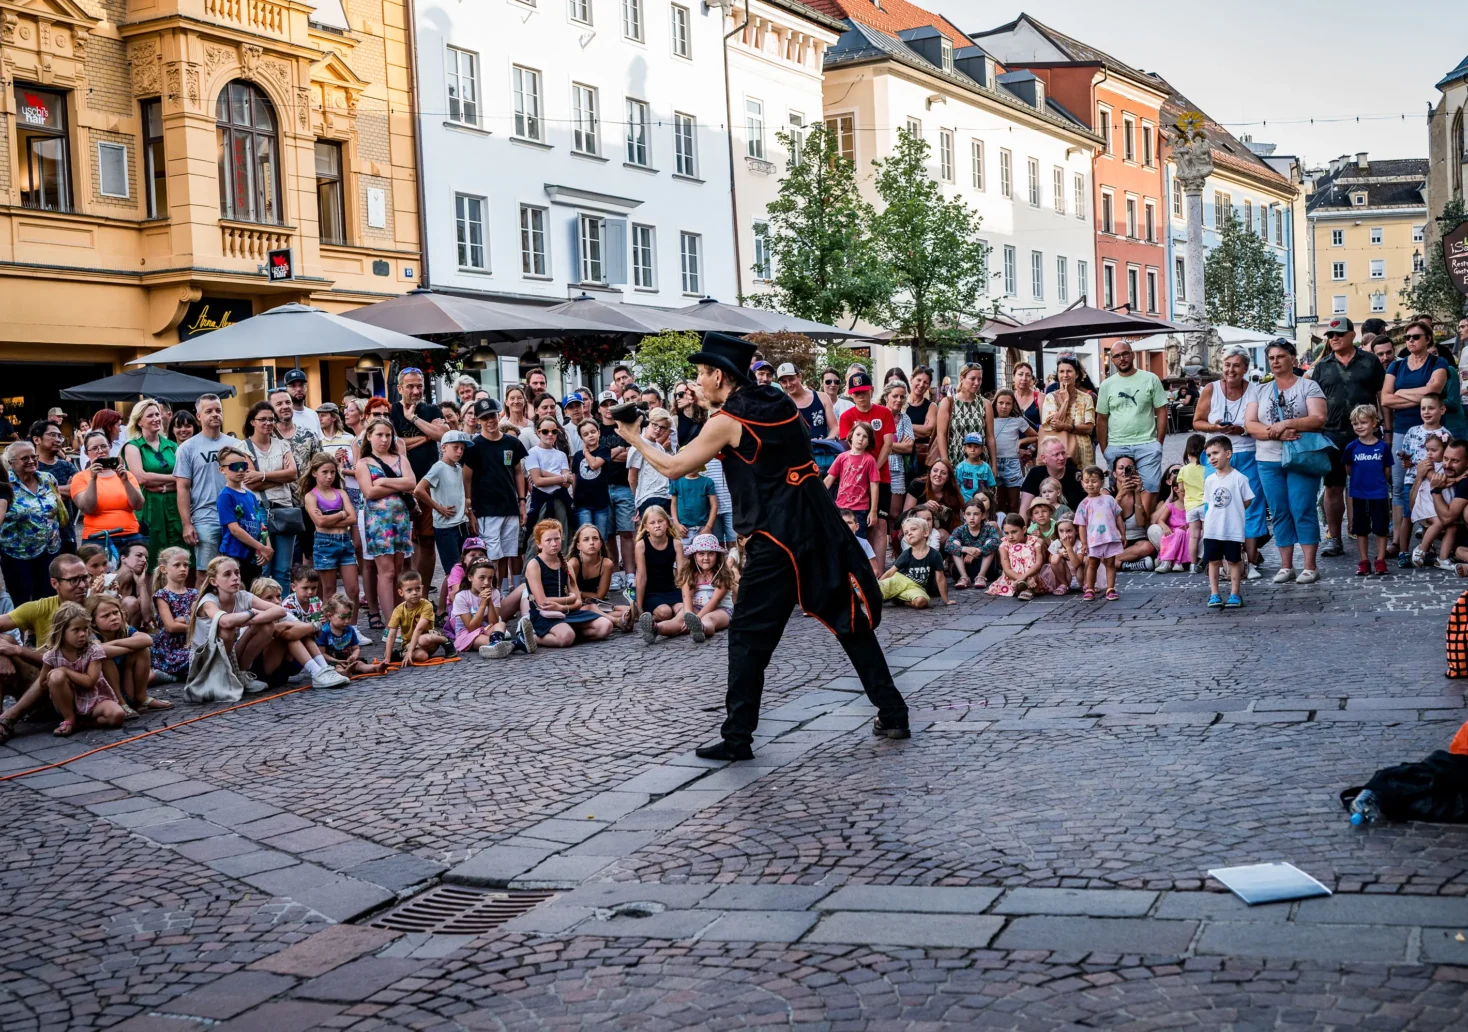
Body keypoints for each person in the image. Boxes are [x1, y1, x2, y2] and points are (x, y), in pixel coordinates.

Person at [615, 332, 909, 759]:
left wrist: (634, 437)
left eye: (700, 373)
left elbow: (675, 466)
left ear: (719, 374)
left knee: (748, 637)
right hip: (819, 527)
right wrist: (710, 410)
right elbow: (757, 452)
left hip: (776, 541)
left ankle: (737, 739)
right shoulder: (778, 402)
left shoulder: (727, 422)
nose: (697, 381)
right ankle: (894, 712)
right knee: (849, 623)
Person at [190, 556, 348, 691]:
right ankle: (318, 671)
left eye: (237, 572)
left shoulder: (242, 596)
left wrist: (252, 618)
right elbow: (224, 621)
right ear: (213, 581)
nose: (235, 577)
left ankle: (321, 671)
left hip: (247, 660)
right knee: (270, 628)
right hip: (209, 661)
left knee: (284, 629)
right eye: (227, 574)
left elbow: (280, 611)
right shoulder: (208, 601)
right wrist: (252, 614)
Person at [1245, 339, 1328, 584]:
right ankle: (1285, 565)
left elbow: (1318, 418)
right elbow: (1250, 425)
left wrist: (1287, 423)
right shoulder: (1258, 389)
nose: (1275, 361)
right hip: (1268, 459)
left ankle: (1310, 566)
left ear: (1293, 359)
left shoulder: (1308, 386)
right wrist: (1277, 431)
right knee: (1280, 511)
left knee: (1302, 508)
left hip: (1301, 457)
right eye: (1271, 358)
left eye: (1281, 356)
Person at [1309, 317, 1386, 559]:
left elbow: (1382, 395)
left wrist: (1388, 430)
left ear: (1352, 335)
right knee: (1333, 487)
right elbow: (1314, 401)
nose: (1334, 339)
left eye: (1339, 334)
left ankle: (1366, 531)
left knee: (1368, 483)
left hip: (1366, 434)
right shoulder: (1323, 365)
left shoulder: (1370, 361)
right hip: (1331, 434)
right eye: (1330, 336)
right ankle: (1334, 538)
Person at [0, 554, 92, 741]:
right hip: (40, 686)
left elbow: (73, 660)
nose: (82, 585)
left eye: (85, 578)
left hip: (77, 689)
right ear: (54, 583)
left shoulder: (98, 606)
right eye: (74, 580)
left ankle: (9, 717)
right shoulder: (40, 607)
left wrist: (18, 650)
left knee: (56, 664)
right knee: (6, 644)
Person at [1193, 348, 1267, 578]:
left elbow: (1261, 422)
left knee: (1252, 506)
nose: (1230, 370)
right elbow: (1197, 422)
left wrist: (1241, 429)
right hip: (1215, 455)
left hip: (1247, 453)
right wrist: (1215, 428)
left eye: (1236, 365)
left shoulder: (1255, 390)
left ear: (1245, 368)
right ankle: (1217, 559)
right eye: (1227, 365)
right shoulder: (1211, 389)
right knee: (1216, 506)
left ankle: (1250, 561)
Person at [1384, 321, 1453, 564]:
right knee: (1401, 487)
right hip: (1405, 431)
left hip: (1433, 433)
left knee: (1436, 484)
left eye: (1416, 337)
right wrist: (1420, 395)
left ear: (1428, 339)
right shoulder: (1397, 364)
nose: (1411, 341)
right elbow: (1385, 399)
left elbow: (1435, 390)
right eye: (1408, 337)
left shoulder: (1438, 363)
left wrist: (1400, 395)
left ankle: (1431, 541)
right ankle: (1398, 543)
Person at [173, 394, 243, 584]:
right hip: (205, 518)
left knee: (234, 573)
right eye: (209, 411)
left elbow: (245, 481)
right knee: (206, 573)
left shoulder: (236, 445)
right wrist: (187, 524)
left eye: (218, 410)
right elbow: (183, 487)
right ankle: (202, 612)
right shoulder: (188, 448)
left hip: (236, 517)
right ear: (199, 416)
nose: (215, 414)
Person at [462, 398, 528, 592]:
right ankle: (495, 592)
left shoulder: (512, 442)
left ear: (499, 414)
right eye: (484, 418)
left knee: (509, 551)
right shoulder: (473, 446)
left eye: (492, 415)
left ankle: (506, 590)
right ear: (478, 420)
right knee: (492, 554)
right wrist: (470, 508)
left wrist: (522, 502)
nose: (490, 421)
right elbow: (466, 478)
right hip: (486, 509)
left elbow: (518, 472)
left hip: (510, 505)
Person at [1095, 341, 1168, 513]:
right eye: (1117, 356)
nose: (1122, 358)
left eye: (1125, 353)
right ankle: (1123, 529)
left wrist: (1158, 442)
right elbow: (1102, 418)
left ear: (1133, 354)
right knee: (1120, 490)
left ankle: (1147, 526)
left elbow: (1162, 411)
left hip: (1147, 443)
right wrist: (1106, 449)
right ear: (1112, 360)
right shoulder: (1107, 385)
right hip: (1117, 445)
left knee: (1150, 487)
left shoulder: (1150, 379)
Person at [390, 366, 447, 586]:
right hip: (399, 486)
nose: (415, 391)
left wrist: (413, 418)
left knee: (427, 540)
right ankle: (405, 593)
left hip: (428, 485)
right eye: (410, 386)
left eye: (419, 386)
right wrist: (426, 437)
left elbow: (443, 435)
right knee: (403, 543)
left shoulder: (432, 410)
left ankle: (422, 593)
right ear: (400, 388)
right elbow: (393, 444)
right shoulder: (390, 411)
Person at [356, 418, 417, 619]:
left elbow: (411, 483)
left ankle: (402, 616)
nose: (384, 439)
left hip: (400, 519)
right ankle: (391, 621)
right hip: (378, 522)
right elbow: (369, 492)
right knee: (386, 571)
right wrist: (397, 483)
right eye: (379, 435)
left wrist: (383, 480)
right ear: (369, 436)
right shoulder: (363, 463)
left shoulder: (401, 459)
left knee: (399, 570)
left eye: (388, 435)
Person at [41, 602, 125, 737]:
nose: (82, 634)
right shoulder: (52, 655)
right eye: (76, 630)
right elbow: (43, 683)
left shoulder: (93, 651)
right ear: (62, 631)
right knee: (56, 676)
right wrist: (58, 681)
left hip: (95, 698)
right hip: (69, 701)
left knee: (118, 715)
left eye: (85, 629)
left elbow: (90, 681)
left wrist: (65, 670)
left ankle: (83, 723)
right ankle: (69, 718)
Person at [524, 519, 612, 647]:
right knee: (566, 637)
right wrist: (568, 598)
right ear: (539, 544)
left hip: (567, 612)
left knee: (606, 626)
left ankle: (571, 632)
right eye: (548, 540)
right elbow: (543, 602)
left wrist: (563, 607)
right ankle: (532, 636)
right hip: (544, 614)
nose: (554, 543)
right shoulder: (534, 565)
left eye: (557, 539)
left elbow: (577, 601)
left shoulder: (566, 565)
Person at [837, 372, 895, 565]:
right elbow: (848, 447)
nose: (860, 397)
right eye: (856, 393)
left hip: (881, 476)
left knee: (879, 523)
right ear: (850, 395)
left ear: (871, 390)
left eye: (864, 392)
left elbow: (888, 444)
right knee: (856, 524)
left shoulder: (884, 412)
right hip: (854, 482)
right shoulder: (846, 416)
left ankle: (877, 573)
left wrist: (873, 470)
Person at [238, 401, 297, 584]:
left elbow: (293, 474)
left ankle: (283, 611)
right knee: (263, 567)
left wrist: (262, 475)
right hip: (258, 510)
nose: (267, 423)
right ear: (252, 422)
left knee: (283, 570)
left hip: (284, 509)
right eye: (262, 419)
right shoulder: (243, 447)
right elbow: (250, 483)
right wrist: (281, 477)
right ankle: (264, 610)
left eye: (271, 419)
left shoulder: (282, 445)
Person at [122, 398, 183, 566]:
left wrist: (161, 482)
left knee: (178, 554)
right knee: (152, 557)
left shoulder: (172, 445)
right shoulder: (133, 446)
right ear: (139, 421)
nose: (156, 418)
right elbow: (140, 477)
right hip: (150, 505)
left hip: (174, 505)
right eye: (150, 415)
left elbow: (185, 477)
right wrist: (175, 479)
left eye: (157, 414)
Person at [299, 453, 360, 617]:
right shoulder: (311, 496)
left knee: (353, 589)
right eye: (325, 472)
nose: (329, 476)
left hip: (345, 542)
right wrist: (341, 515)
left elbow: (353, 517)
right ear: (314, 473)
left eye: (332, 472)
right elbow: (319, 523)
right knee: (329, 589)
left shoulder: (341, 492)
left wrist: (328, 518)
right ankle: (329, 626)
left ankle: (352, 626)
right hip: (325, 544)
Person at [1, 440, 61, 605]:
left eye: (34, 456)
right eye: (25, 458)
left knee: (48, 598)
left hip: (50, 549)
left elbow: (57, 507)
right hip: (18, 553)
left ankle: (41, 631)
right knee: (21, 600)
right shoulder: (5, 485)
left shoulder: (48, 479)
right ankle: (20, 631)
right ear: (10, 463)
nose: (31, 461)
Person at [71, 430, 146, 556]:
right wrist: (93, 479)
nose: (100, 451)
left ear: (110, 447)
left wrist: (125, 481)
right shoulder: (80, 477)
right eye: (94, 448)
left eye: (104, 446)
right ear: (86, 453)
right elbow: (88, 508)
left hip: (131, 535)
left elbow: (138, 505)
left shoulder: (125, 474)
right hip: (98, 537)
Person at [1400, 394, 1454, 567]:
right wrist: (1406, 462)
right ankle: (1403, 551)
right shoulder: (1413, 431)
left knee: (1431, 516)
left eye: (1431, 408)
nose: (1426, 412)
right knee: (1407, 516)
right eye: (1423, 408)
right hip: (1413, 479)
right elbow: (1407, 456)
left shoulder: (1446, 435)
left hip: (1437, 482)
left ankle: (1428, 550)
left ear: (1442, 410)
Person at [414, 429, 471, 589]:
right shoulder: (438, 467)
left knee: (462, 567)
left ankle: (446, 606)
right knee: (453, 571)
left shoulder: (458, 468)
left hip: (460, 523)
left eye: (462, 448)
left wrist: (468, 513)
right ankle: (445, 608)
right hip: (446, 526)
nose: (459, 451)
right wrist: (439, 508)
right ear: (443, 448)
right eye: (455, 447)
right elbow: (418, 490)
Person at [1202, 435, 1254, 609]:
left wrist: (1235, 511)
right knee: (1213, 561)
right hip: (1213, 528)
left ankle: (1234, 593)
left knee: (1233, 561)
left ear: (1228, 453)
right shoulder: (1209, 480)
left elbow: (1247, 500)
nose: (1212, 458)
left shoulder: (1239, 478)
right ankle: (1214, 593)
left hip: (1232, 528)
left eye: (1215, 453)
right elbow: (1209, 503)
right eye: (1209, 455)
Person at [1343, 404, 1392, 576]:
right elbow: (1349, 469)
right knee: (1361, 529)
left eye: (1363, 422)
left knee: (1381, 528)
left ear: (1374, 423)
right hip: (1359, 494)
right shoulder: (1351, 447)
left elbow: (1387, 471)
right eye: (1356, 423)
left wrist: (1377, 483)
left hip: (1378, 494)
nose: (1359, 426)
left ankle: (1380, 560)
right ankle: (1364, 561)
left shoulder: (1383, 447)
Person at [216, 445, 271, 585]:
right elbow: (234, 529)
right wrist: (261, 547)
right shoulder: (226, 496)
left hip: (253, 554)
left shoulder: (251, 496)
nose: (240, 470)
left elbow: (261, 525)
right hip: (234, 555)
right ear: (222, 470)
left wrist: (267, 547)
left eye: (243, 465)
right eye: (234, 466)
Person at [879, 515, 952, 608]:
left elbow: (940, 579)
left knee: (922, 602)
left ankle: (900, 600)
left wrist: (946, 600)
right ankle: (857, 599)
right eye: (906, 532)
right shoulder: (906, 554)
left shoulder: (935, 555)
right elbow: (891, 572)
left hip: (916, 587)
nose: (909, 533)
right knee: (872, 592)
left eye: (913, 529)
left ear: (925, 533)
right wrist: (878, 584)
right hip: (899, 581)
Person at [1075, 466, 1124, 601]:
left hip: (1110, 537)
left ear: (1102, 482)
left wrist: (1122, 534)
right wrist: (1084, 543)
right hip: (1093, 539)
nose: (1090, 484)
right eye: (1087, 481)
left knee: (1110, 563)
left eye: (1094, 481)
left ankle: (1110, 588)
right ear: (1082, 483)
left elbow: (1118, 516)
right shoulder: (1084, 503)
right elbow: (1082, 525)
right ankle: (1090, 588)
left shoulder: (1109, 500)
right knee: (1092, 564)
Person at [932, 363, 991, 474]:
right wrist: (945, 461)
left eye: (979, 379)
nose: (976, 383)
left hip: (980, 461)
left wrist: (994, 466)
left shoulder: (985, 404)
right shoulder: (948, 402)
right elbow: (941, 435)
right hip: (955, 458)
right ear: (962, 378)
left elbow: (990, 437)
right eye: (972, 379)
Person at [448, 561, 514, 658]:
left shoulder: (494, 592)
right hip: (467, 633)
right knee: (485, 640)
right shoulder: (461, 596)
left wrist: (489, 601)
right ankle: (517, 644)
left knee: (501, 624)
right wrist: (483, 604)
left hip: (485, 628)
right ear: (470, 577)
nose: (486, 583)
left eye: (490, 578)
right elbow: (471, 627)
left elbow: (493, 622)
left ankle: (495, 643)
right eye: (482, 578)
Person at [150, 546, 197, 683]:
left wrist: (182, 620)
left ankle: (178, 676)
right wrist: (193, 625)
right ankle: (168, 674)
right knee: (198, 657)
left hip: (192, 642)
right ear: (164, 569)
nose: (183, 568)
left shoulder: (194, 593)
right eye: (177, 565)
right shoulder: (162, 595)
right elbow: (170, 626)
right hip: (171, 648)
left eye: (186, 565)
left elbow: (201, 618)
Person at [383, 569, 450, 664]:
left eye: (417, 588)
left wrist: (410, 652)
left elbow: (419, 629)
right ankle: (399, 655)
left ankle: (446, 641)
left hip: (428, 640)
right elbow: (392, 634)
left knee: (422, 639)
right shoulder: (398, 610)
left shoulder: (427, 605)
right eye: (409, 590)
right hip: (410, 644)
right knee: (422, 656)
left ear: (422, 588)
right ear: (401, 592)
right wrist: (388, 658)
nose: (414, 593)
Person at [824, 423, 879, 536]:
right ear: (851, 435)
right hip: (840, 507)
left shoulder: (870, 460)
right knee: (838, 538)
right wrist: (817, 495)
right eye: (858, 434)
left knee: (858, 541)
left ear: (869, 441)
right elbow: (829, 478)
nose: (860, 439)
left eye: (865, 436)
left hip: (860, 509)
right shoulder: (842, 457)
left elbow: (874, 485)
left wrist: (873, 511)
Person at [1039, 357, 1096, 465]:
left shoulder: (1086, 398)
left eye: (1069, 371)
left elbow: (1089, 428)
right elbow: (1054, 424)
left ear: (1077, 374)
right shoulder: (1050, 398)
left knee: (1083, 480)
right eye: (1061, 371)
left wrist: (1067, 427)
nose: (1065, 375)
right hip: (1059, 452)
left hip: (1082, 451)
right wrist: (1065, 401)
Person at [987, 389, 1034, 516]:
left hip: (1012, 463)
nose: (1004, 406)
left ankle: (1015, 527)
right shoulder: (989, 419)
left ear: (1013, 405)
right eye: (1001, 403)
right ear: (995, 403)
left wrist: (1021, 442)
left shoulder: (1018, 420)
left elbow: (1035, 436)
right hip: (994, 462)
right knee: (999, 502)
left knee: (1014, 503)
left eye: (1008, 403)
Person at [988, 513, 1055, 600]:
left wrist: (1025, 577)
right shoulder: (1004, 545)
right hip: (1013, 578)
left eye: (1014, 532)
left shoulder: (1036, 542)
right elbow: (1007, 570)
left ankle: (1028, 589)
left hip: (1033, 577)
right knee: (1016, 549)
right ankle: (1022, 587)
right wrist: (1024, 580)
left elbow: (1038, 563)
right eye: (1006, 533)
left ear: (1024, 529)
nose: (1010, 537)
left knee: (1027, 549)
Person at [317, 594, 384, 676]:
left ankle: (375, 668)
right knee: (337, 667)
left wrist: (353, 656)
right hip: (333, 661)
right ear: (329, 616)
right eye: (343, 617)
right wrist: (336, 661)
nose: (347, 621)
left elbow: (356, 648)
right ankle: (343, 673)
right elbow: (321, 654)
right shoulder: (324, 632)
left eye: (349, 617)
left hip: (348, 660)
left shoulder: (350, 630)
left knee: (359, 664)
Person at [1019, 437, 1085, 516]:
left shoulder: (1077, 475)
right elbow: (1024, 508)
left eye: (1063, 453)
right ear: (1044, 458)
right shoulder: (1035, 474)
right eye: (1056, 454)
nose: (1061, 458)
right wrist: (1022, 527)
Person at [628, 408, 675, 517]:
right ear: (648, 423)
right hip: (648, 497)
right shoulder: (638, 445)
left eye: (663, 428)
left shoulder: (659, 447)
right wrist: (638, 499)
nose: (658, 430)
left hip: (665, 496)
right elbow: (632, 478)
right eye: (655, 425)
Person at [945, 496, 999, 589]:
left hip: (985, 568)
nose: (972, 518)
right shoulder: (960, 530)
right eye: (968, 514)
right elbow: (948, 545)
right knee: (955, 543)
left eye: (976, 514)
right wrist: (965, 549)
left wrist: (977, 551)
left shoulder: (988, 528)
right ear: (964, 516)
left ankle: (981, 576)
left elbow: (996, 542)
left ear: (983, 516)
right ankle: (964, 577)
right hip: (965, 566)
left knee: (990, 542)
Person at [572, 420, 613, 542]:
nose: (590, 435)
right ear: (581, 437)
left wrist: (585, 451)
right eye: (585, 434)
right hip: (582, 503)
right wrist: (573, 498)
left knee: (601, 538)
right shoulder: (577, 456)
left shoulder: (604, 450)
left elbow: (594, 464)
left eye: (593, 432)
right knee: (585, 537)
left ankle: (602, 560)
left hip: (601, 503)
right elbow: (575, 478)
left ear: (599, 433)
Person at [1152, 465, 1192, 574]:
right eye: (1184, 491)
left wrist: (1188, 525)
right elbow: (1161, 520)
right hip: (1173, 532)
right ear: (1176, 490)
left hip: (1185, 531)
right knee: (1179, 533)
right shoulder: (1171, 506)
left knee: (1187, 533)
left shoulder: (1191, 506)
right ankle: (1166, 561)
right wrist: (1165, 527)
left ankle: (1179, 562)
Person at [779, 364, 834, 440]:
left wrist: (825, 442)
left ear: (799, 377)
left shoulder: (822, 398)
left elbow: (835, 428)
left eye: (791, 379)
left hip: (823, 449)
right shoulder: (782, 405)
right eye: (784, 382)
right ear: (780, 383)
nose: (788, 384)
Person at [1179, 434, 1208, 570]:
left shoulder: (1183, 470)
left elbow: (1181, 489)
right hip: (1204, 505)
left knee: (1193, 537)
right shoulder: (1206, 469)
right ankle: (1208, 561)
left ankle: (1192, 564)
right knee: (1207, 535)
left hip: (1190, 506)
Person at [669, 464, 717, 546]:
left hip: (702, 528)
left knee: (703, 555)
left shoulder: (707, 482)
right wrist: (676, 524)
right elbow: (673, 504)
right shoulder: (676, 481)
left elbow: (714, 505)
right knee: (685, 556)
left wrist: (708, 527)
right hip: (684, 529)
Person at [906, 365, 937, 473]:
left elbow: (928, 430)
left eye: (926, 382)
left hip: (922, 457)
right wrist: (920, 430)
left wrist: (904, 426)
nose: (921, 385)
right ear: (911, 379)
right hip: (901, 455)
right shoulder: (900, 402)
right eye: (918, 380)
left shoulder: (931, 406)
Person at [953, 433, 996, 505]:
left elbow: (991, 487)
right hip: (965, 504)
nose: (973, 449)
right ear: (965, 448)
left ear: (982, 449)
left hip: (982, 505)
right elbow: (957, 488)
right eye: (969, 446)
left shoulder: (986, 467)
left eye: (976, 447)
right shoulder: (960, 467)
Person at [280, 368, 322, 438]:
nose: (299, 389)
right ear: (286, 389)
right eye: (293, 386)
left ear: (306, 387)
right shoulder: (282, 416)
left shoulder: (313, 415)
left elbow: (320, 443)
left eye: (301, 385)